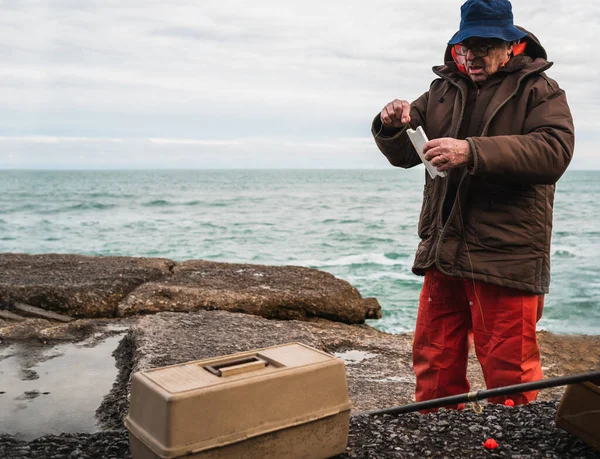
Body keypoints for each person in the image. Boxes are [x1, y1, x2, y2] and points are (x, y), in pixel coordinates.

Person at [371, 0, 574, 409]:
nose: (472, 56)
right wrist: (393, 124)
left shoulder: (541, 90)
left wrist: (472, 152)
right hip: (444, 246)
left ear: (512, 44)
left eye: (484, 46)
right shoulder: (442, 89)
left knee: (509, 371)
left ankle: (513, 444)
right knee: (434, 358)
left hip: (507, 253)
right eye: (465, 46)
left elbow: (554, 151)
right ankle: (437, 433)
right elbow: (405, 154)